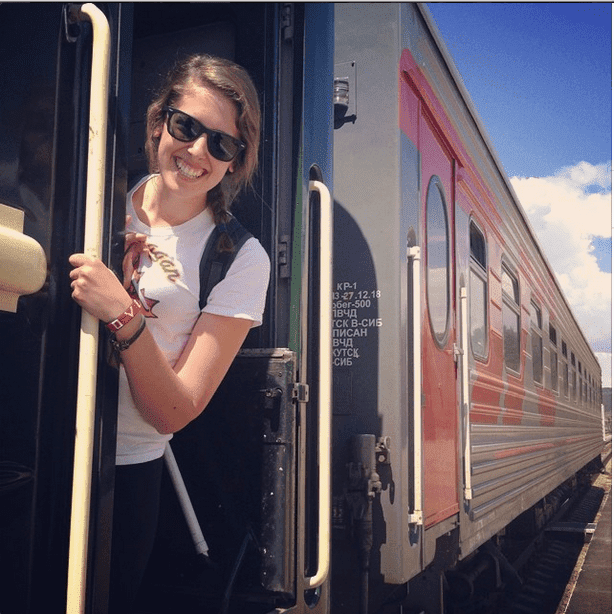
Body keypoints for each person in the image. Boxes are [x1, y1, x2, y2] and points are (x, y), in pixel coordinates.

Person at [69, 54, 270, 613]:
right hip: (40, 442)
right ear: (159, 122)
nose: (199, 151)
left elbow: (174, 412)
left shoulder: (238, 258)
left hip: (123, 478)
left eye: (222, 144)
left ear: (236, 161)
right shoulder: (90, 193)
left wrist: (125, 317)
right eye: (187, 127)